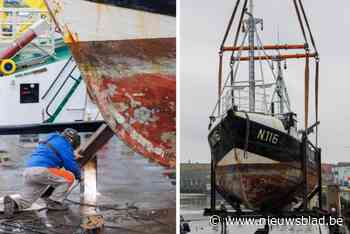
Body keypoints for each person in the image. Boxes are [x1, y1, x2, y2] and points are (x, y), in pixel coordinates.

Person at [3, 128, 82, 218]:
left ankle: (13, 203)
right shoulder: (64, 144)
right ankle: (54, 202)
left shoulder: (51, 140)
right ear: (71, 140)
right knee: (69, 177)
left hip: (29, 171)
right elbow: (70, 164)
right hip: (42, 170)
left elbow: (55, 154)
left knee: (26, 202)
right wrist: (79, 176)